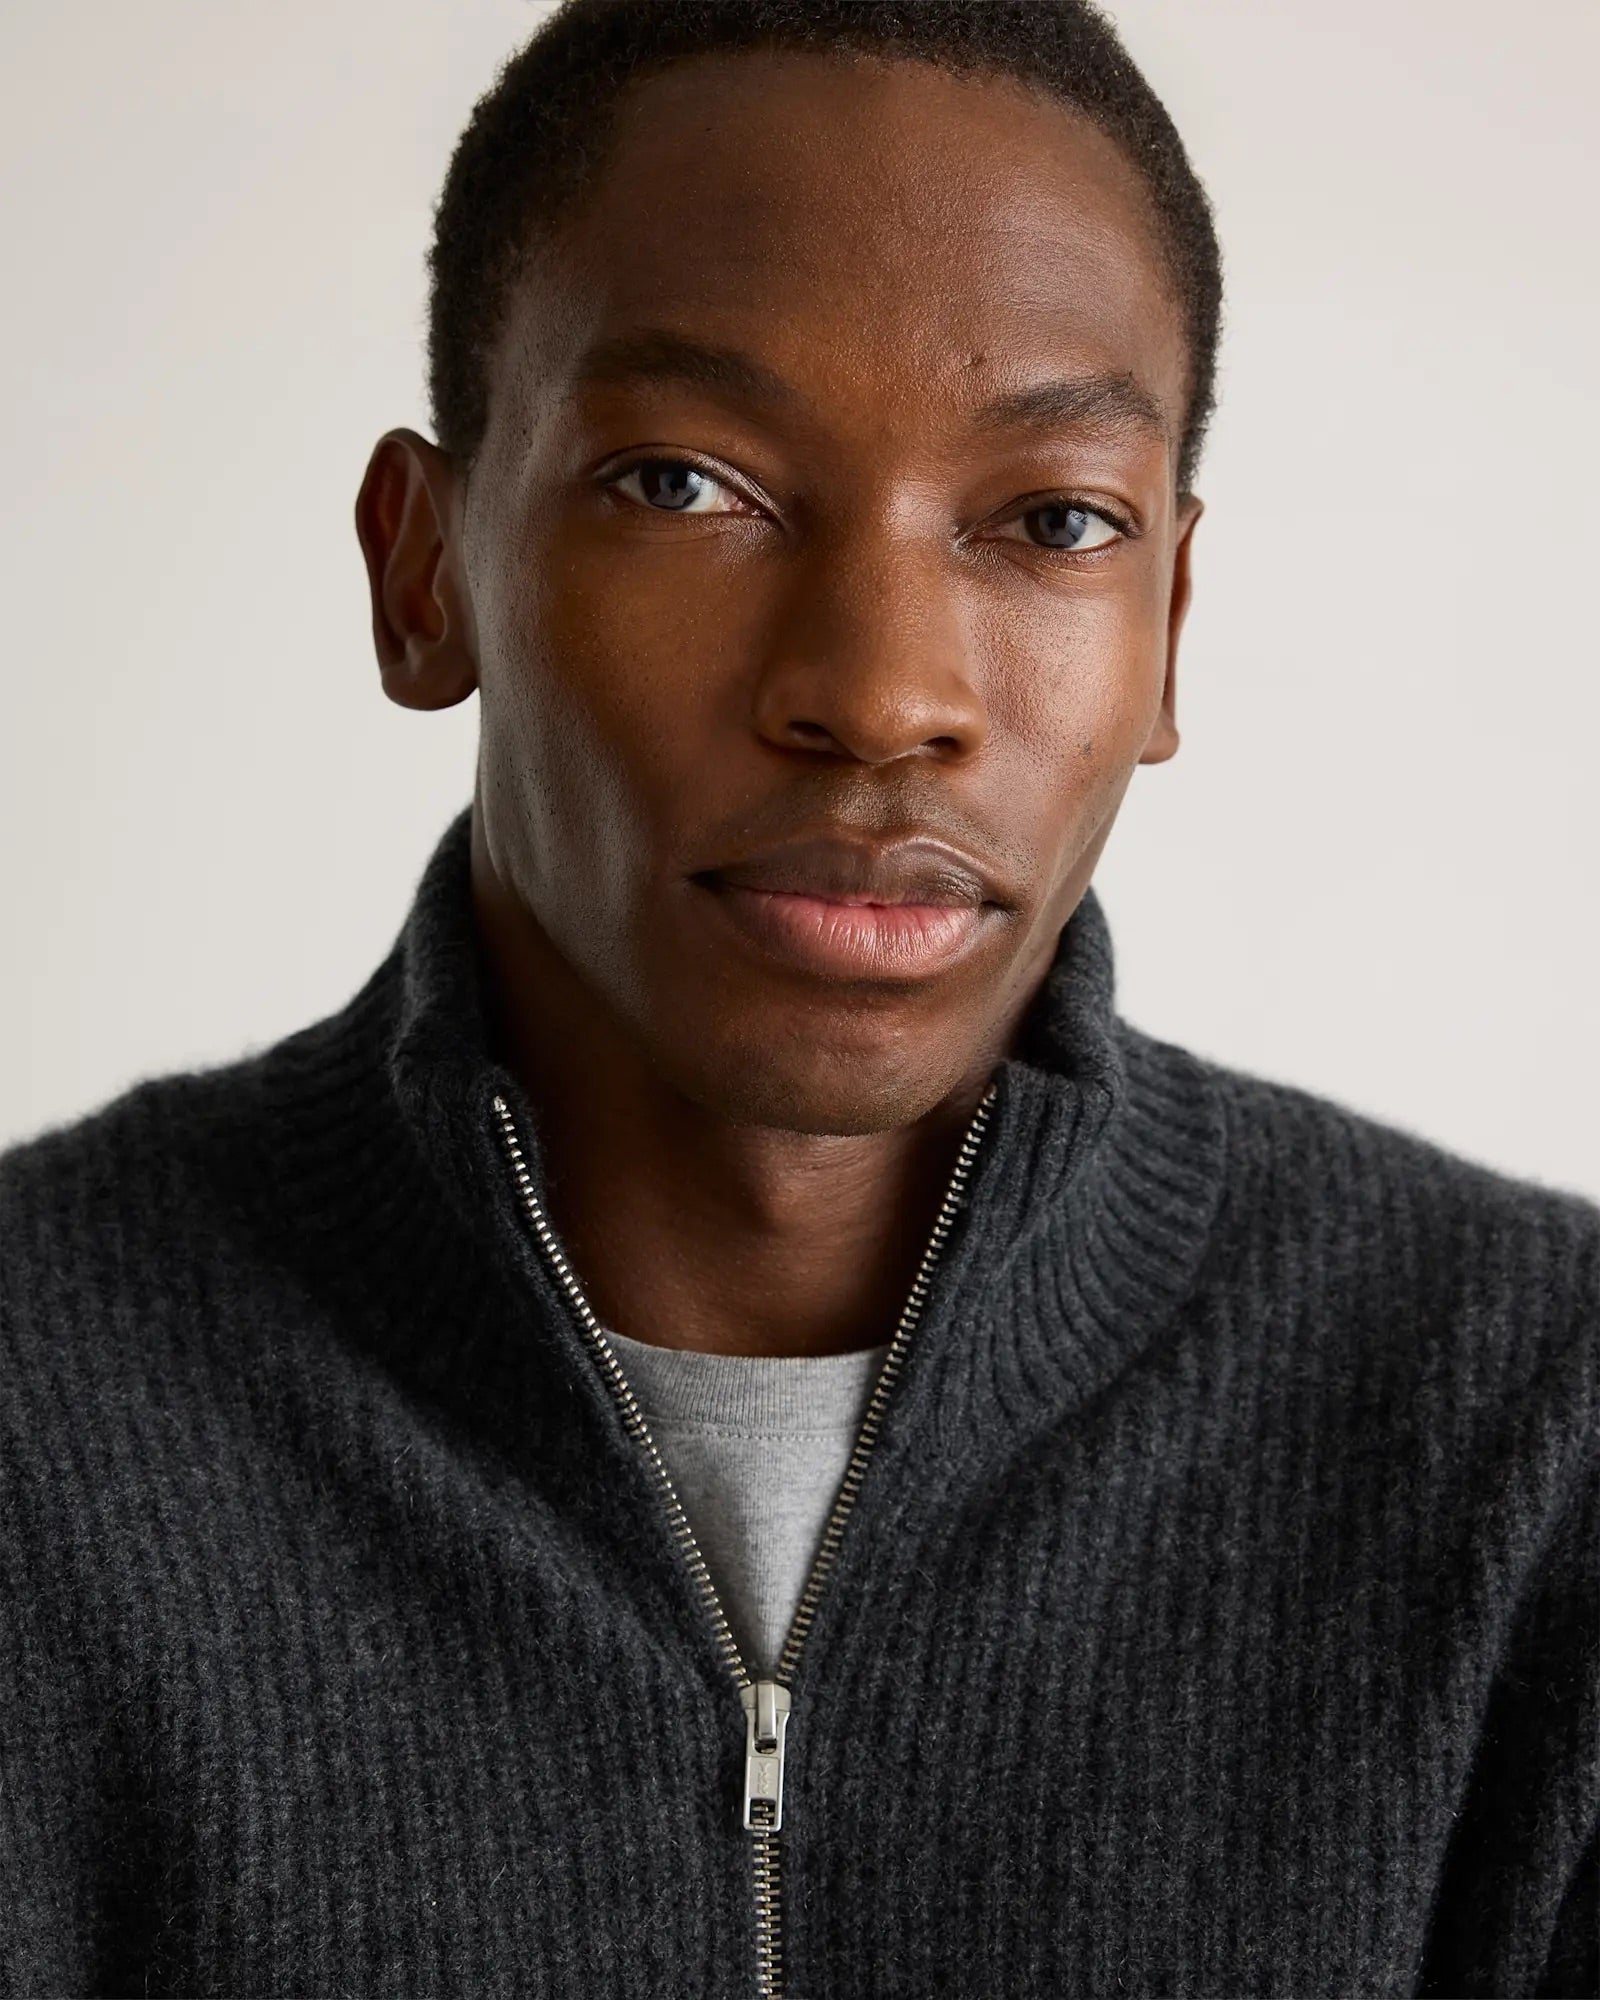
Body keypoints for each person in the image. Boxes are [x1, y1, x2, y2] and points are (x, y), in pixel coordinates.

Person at [2, 1, 1594, 1994]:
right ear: (426, 570)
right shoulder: (35, 1406)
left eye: (1054, 521)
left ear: (1168, 629)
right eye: (684, 483)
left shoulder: (1536, 1434)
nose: (883, 692)